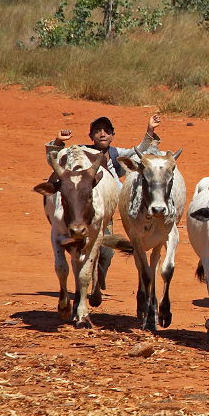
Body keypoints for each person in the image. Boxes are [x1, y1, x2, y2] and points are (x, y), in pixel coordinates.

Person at [44, 113, 163, 290]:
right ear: (90, 136)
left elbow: (139, 149)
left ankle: (99, 279)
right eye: (97, 131)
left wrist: (150, 130)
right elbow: (55, 160)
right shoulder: (82, 153)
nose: (102, 134)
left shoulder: (116, 154)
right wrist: (58, 141)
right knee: (81, 249)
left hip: (107, 209)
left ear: (112, 135)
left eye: (107, 131)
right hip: (85, 209)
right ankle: (85, 283)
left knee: (106, 254)